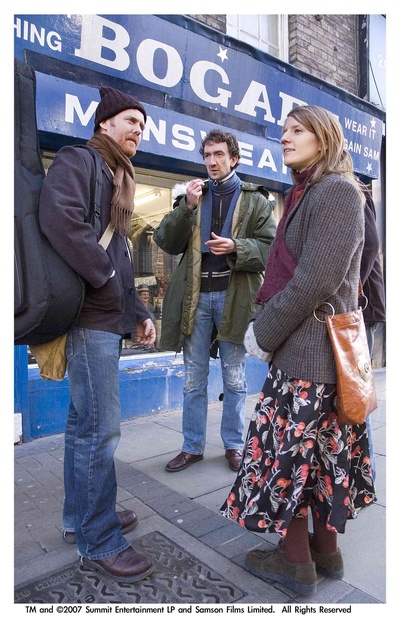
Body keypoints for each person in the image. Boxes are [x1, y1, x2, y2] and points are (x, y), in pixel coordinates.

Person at [220, 106, 376, 596]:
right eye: (284, 130)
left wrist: (262, 332)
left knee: (289, 460)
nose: (284, 137)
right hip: (316, 353)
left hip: (310, 354)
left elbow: (315, 280)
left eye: (297, 130)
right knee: (320, 460)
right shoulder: (311, 191)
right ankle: (325, 553)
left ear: (324, 138)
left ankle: (294, 562)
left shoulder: (336, 190)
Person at [39, 87, 156, 583]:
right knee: (99, 430)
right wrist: (105, 278)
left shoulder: (117, 175)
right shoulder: (80, 160)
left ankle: (82, 516)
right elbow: (59, 219)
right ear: (105, 123)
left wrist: (139, 311)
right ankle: (99, 538)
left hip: (107, 316)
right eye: (130, 121)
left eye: (142, 126)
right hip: (89, 318)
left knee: (82, 425)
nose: (137, 131)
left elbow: (121, 256)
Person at [153, 129, 276, 473]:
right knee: (194, 379)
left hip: (234, 297)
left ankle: (234, 445)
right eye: (207, 155)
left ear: (233, 159)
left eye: (219, 154)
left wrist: (238, 247)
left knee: (234, 378)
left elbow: (271, 250)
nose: (212, 161)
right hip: (195, 298)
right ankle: (191, 447)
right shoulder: (192, 196)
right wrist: (187, 207)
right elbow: (166, 242)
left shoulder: (255, 199)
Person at [359, 185, 386, 482]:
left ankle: (366, 477)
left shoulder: (352, 187)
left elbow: (370, 245)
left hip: (358, 311)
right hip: (355, 309)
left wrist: (348, 291)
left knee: (356, 396)